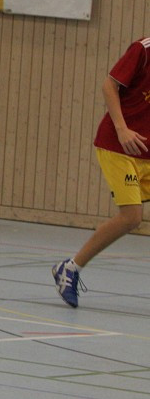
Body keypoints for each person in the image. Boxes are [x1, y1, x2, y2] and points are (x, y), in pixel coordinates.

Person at [51, 37, 150, 308]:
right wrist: (121, 128)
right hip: (119, 146)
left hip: (147, 150)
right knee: (132, 217)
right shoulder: (143, 49)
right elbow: (109, 85)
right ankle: (69, 268)